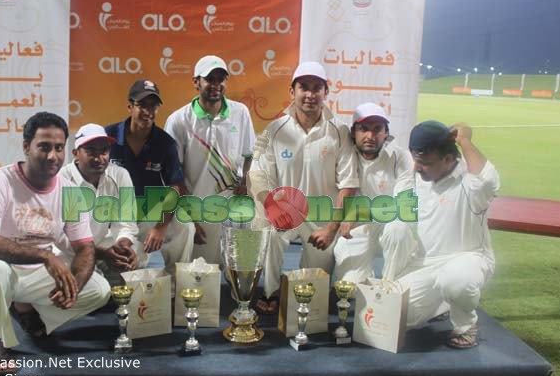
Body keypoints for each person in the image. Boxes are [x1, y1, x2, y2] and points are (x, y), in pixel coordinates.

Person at [0, 112, 110, 373]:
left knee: (98, 289)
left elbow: (84, 247)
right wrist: (45, 257)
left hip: (36, 273)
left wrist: (73, 286)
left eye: (58, 148)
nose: (53, 156)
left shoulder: (71, 192)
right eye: (44, 147)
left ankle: (25, 308)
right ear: (26, 147)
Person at [248, 61, 359, 313]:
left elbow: (348, 185)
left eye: (316, 88)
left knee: (313, 294)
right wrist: (272, 209)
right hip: (285, 209)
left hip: (322, 216)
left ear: (326, 92)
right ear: (292, 92)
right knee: (269, 234)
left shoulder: (339, 131)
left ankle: (305, 287)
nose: (310, 94)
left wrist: (331, 229)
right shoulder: (275, 129)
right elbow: (259, 176)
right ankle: (271, 290)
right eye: (303, 88)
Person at [388, 120, 500, 349]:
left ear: (449, 159)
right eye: (415, 161)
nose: (417, 168)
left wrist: (465, 140)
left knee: (454, 281)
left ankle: (466, 324)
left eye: (425, 163)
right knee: (391, 317)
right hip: (425, 264)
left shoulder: (470, 184)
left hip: (468, 259)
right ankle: (442, 304)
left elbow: (488, 179)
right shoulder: (416, 180)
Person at [165, 55, 255, 266]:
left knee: (237, 271)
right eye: (209, 79)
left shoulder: (240, 113)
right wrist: (191, 217)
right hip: (197, 210)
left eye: (220, 79)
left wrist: (244, 182)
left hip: (231, 207)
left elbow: (249, 154)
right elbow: (173, 175)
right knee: (199, 277)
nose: (216, 85)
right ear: (196, 82)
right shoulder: (179, 120)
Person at [105, 79, 194, 277]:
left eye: (153, 106)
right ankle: (137, 260)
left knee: (184, 225)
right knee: (120, 274)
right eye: (142, 105)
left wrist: (161, 227)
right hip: (115, 216)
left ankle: (177, 282)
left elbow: (174, 188)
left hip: (149, 212)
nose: (148, 111)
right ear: (130, 106)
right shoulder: (108, 137)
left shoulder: (164, 142)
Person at [333, 102, 416, 283]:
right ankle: (364, 279)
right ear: (353, 133)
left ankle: (391, 286)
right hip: (357, 228)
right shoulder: (343, 157)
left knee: (398, 230)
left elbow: (403, 206)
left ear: (386, 132)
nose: (370, 136)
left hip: (389, 225)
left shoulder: (400, 157)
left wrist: (359, 211)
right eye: (363, 129)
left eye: (377, 129)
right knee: (349, 287)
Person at [57, 123, 139, 286]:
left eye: (104, 151)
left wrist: (122, 247)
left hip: (102, 245)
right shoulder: (61, 179)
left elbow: (126, 224)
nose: (99, 158)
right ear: (76, 154)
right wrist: (99, 254)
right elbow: (60, 238)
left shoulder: (120, 175)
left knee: (137, 254)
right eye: (91, 151)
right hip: (71, 252)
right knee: (94, 288)